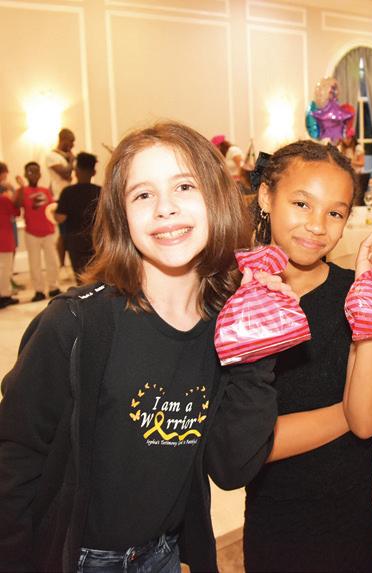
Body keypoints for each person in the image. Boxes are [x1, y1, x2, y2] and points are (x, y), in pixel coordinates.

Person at [0, 122, 293, 572]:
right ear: (122, 217)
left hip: (163, 554)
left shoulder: (226, 325)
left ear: (217, 198)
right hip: (78, 558)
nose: (165, 208)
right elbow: (14, 459)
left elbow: (232, 468)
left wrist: (257, 347)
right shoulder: (76, 323)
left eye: (184, 186)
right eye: (142, 195)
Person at [244, 141, 372, 572]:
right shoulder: (237, 298)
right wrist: (346, 412)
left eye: (335, 213)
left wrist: (368, 303)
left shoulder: (351, 291)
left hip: (357, 515)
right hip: (277, 524)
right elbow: (247, 444)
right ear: (266, 197)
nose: (317, 226)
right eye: (302, 204)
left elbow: (369, 421)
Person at [13, 162, 61, 301]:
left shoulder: (45, 191)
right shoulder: (22, 191)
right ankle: (39, 290)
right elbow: (17, 205)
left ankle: (54, 287)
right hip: (31, 233)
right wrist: (21, 187)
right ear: (25, 174)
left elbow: (52, 208)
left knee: (52, 261)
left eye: (36, 171)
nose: (33, 174)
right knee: (35, 264)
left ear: (40, 174)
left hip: (48, 231)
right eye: (30, 172)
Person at [55, 152, 101, 282]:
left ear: (76, 171)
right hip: (97, 239)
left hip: (75, 240)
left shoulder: (68, 192)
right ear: (94, 172)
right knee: (99, 276)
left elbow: (60, 218)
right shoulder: (100, 191)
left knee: (81, 278)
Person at [46, 128, 75, 266]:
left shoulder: (65, 156)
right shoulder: (51, 156)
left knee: (69, 232)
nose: (72, 145)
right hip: (59, 197)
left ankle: (69, 262)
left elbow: (69, 176)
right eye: (71, 141)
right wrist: (71, 161)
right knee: (63, 234)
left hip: (69, 196)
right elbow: (65, 173)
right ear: (63, 140)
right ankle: (61, 264)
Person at [0, 166, 20, 308]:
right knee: (5, 268)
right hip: (5, 237)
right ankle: (4, 295)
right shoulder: (5, 200)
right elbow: (16, 211)